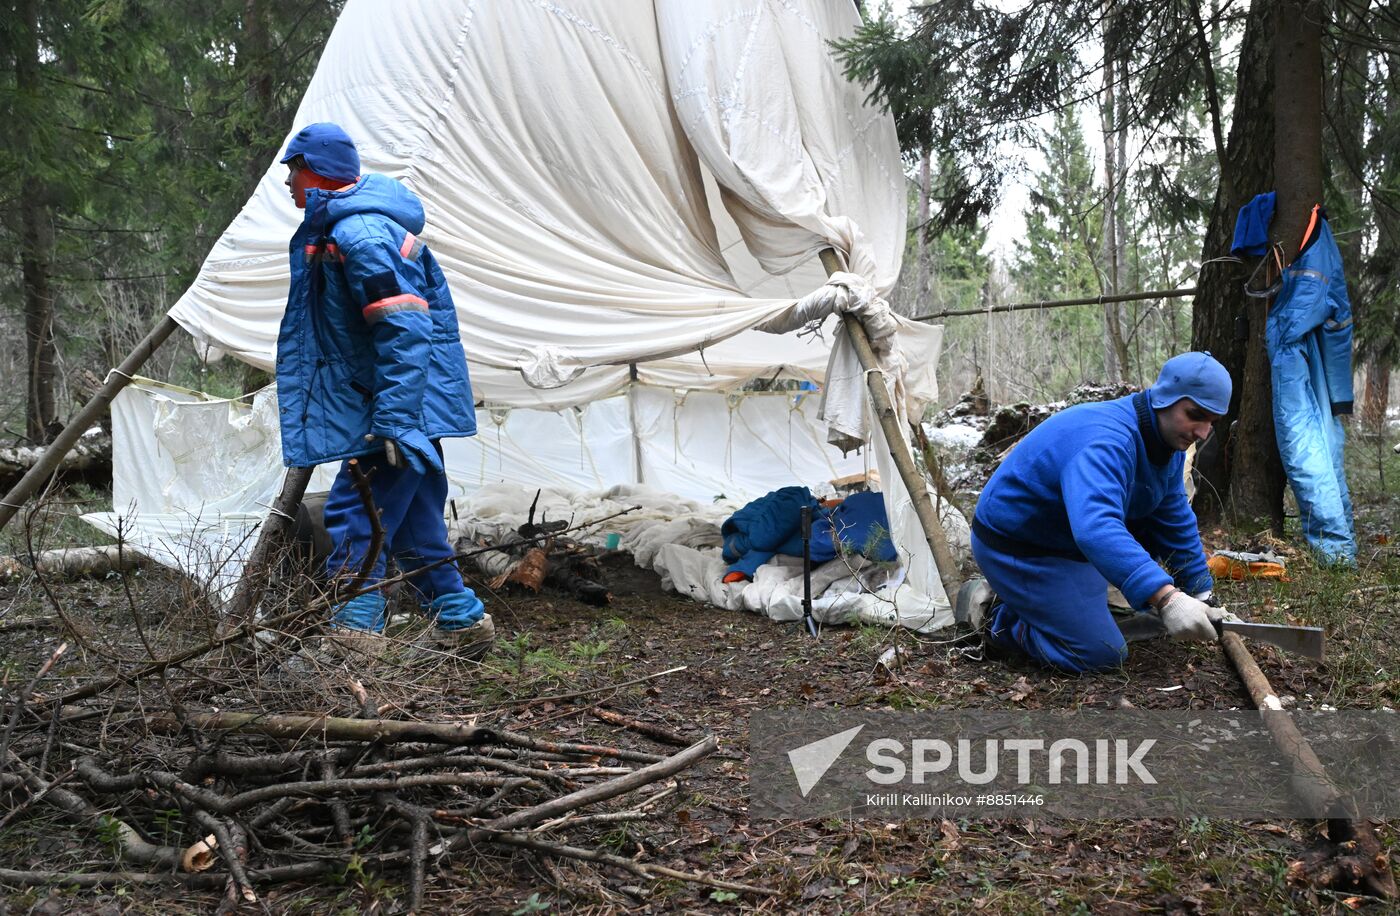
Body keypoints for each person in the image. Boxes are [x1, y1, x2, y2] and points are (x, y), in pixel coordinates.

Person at [275, 122, 492, 657]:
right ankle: (462, 624)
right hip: (397, 404)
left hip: (392, 409)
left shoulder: (362, 235)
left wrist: (394, 419)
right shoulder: (346, 231)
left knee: (357, 512)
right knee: (417, 523)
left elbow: (405, 326)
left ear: (315, 170)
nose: (288, 184)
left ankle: (353, 635)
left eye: (292, 170)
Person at [970, 352, 1231, 673]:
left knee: (1125, 621)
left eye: (1211, 422)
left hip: (1067, 542)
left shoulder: (1165, 441)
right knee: (1100, 652)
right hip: (1019, 548)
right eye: (1195, 415)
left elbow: (1172, 516)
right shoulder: (1107, 441)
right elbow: (1097, 528)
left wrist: (1201, 594)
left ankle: (1050, 605)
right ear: (1164, 398)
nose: (1202, 432)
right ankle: (999, 620)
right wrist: (1166, 598)